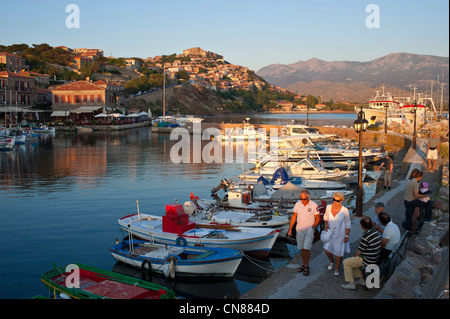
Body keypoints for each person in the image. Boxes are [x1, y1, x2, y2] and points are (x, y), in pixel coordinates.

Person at [341, 216, 381, 290]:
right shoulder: (374, 231)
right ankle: (361, 280)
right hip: (375, 257)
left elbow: (359, 251)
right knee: (354, 260)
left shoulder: (366, 236)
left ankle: (351, 284)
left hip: (368, 259)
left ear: (363, 226)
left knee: (346, 262)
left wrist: (353, 258)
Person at [287, 189, 320, 276]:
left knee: (307, 248)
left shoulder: (313, 205)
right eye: (301, 198)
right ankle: (304, 263)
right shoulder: (297, 204)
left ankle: (306, 266)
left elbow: (318, 219)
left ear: (308, 197)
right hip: (299, 229)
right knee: (302, 248)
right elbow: (294, 217)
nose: (303, 200)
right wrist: (290, 229)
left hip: (309, 230)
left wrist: (313, 228)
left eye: (304, 199)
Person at [323, 191, 351, 276]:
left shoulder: (344, 210)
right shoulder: (328, 207)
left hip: (340, 234)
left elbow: (348, 224)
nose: (335, 202)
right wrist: (326, 224)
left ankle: (337, 268)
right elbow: (326, 216)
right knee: (327, 251)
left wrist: (346, 235)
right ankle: (331, 261)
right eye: (334, 200)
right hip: (330, 233)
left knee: (338, 254)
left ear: (341, 201)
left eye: (338, 201)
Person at [404, 169, 431, 234]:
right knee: (427, 203)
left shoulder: (410, 181)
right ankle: (427, 218)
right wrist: (425, 195)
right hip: (411, 201)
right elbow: (416, 195)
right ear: (420, 177)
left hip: (406, 200)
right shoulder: (415, 183)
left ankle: (410, 229)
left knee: (411, 216)